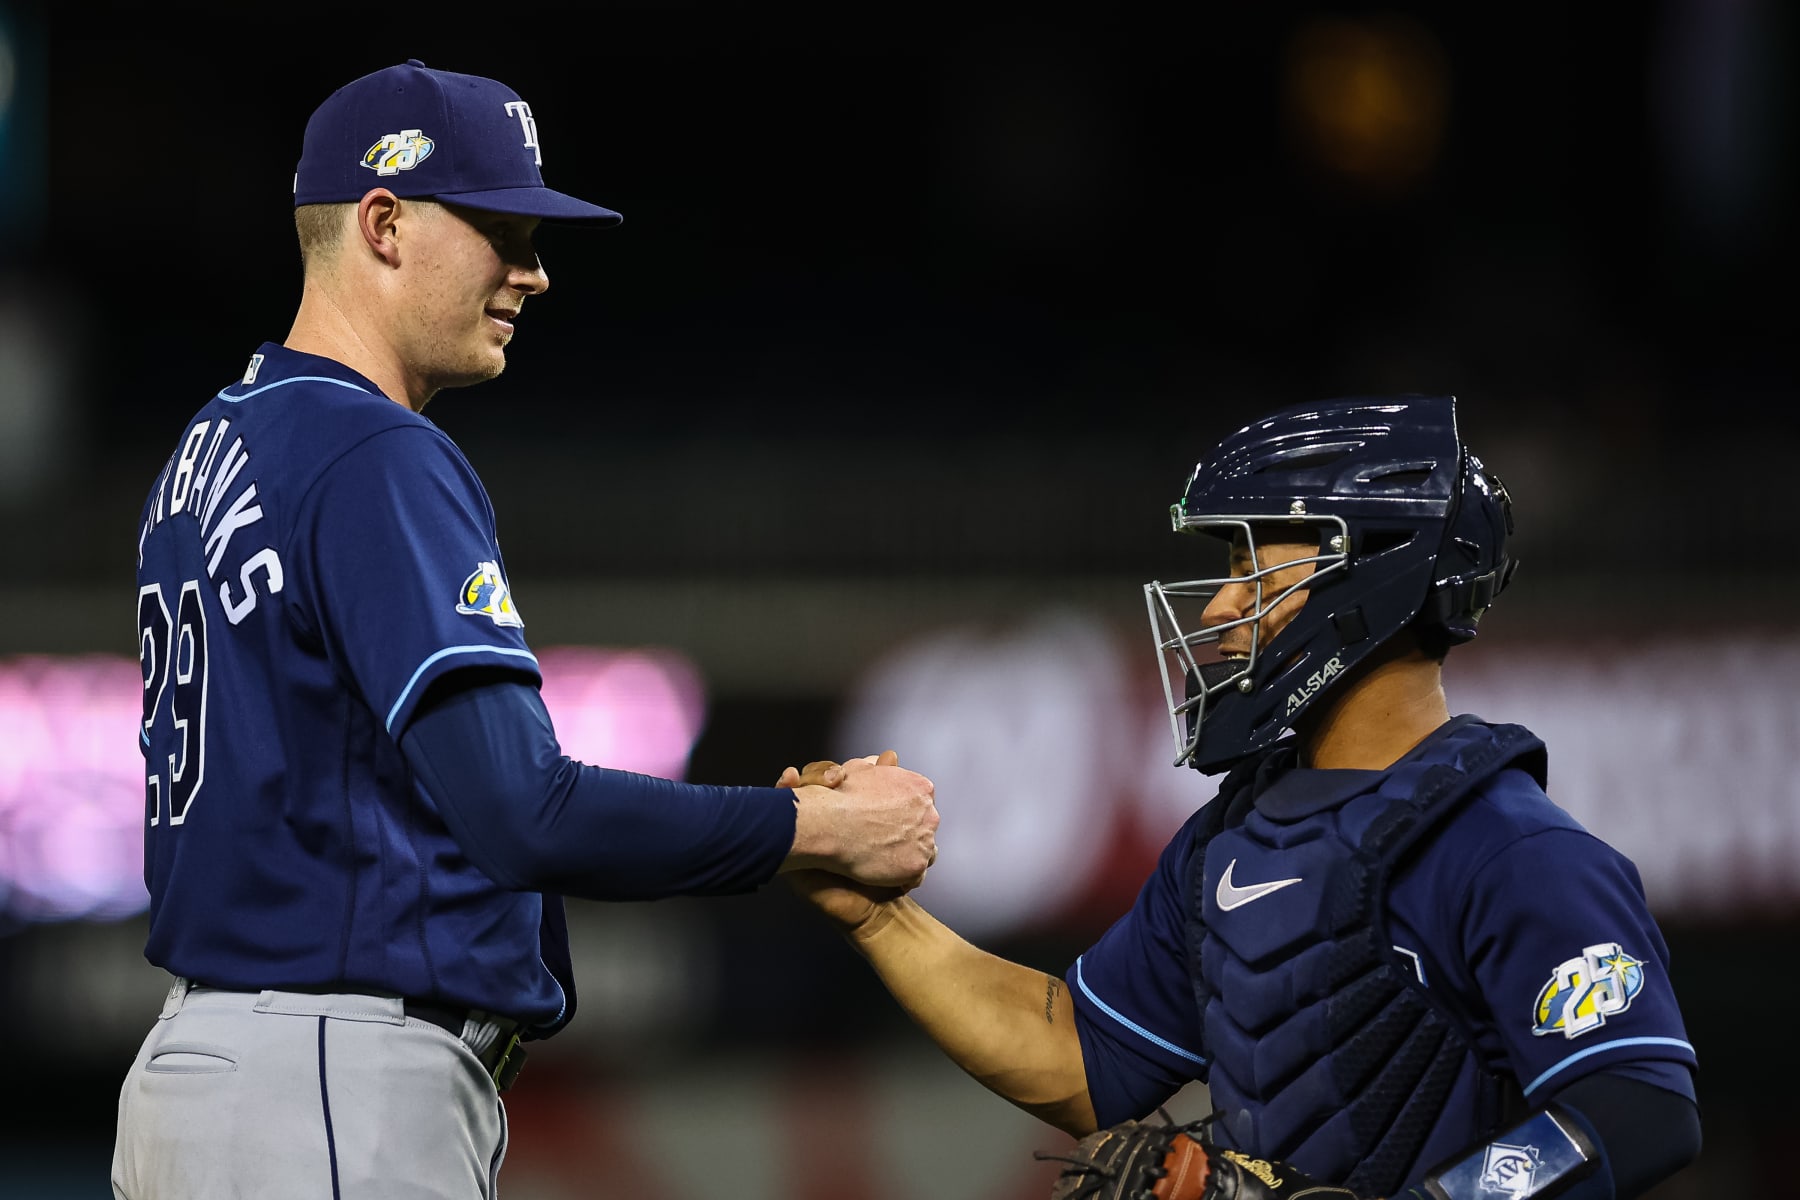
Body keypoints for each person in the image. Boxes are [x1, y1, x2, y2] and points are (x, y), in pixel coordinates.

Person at [112, 58, 938, 1200]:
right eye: (500, 229)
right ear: (385, 222)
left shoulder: (216, 442)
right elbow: (521, 810)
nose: (534, 273)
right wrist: (810, 826)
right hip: (330, 1082)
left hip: (215, 1072)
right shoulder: (373, 451)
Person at [788, 394, 1701, 1199]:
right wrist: (880, 920)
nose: (1222, 606)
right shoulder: (1230, 838)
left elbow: (1635, 1108)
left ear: (1372, 570)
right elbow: (1079, 1056)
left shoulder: (1510, 850)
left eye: (1253, 562)